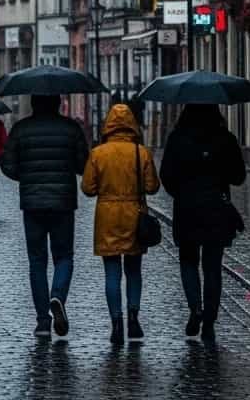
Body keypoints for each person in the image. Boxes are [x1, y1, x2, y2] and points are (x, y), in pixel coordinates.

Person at [1, 95, 89, 339]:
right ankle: (57, 296)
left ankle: (42, 321)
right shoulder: (71, 128)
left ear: (33, 104)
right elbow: (84, 165)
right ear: (58, 103)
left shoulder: (21, 129)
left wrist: (27, 177)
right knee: (64, 256)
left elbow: (7, 165)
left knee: (37, 261)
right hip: (63, 202)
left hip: (32, 204)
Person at [159, 104, 246, 344]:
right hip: (216, 208)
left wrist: (181, 192)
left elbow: (165, 175)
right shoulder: (225, 138)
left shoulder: (177, 138)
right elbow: (239, 177)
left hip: (187, 208)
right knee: (212, 266)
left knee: (188, 261)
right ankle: (209, 321)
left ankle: (195, 308)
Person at [81, 103, 160, 345]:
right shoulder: (141, 152)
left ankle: (116, 322)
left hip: (107, 216)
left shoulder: (98, 153)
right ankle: (134, 318)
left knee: (112, 272)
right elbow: (152, 187)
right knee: (134, 270)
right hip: (134, 214)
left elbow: (87, 188)